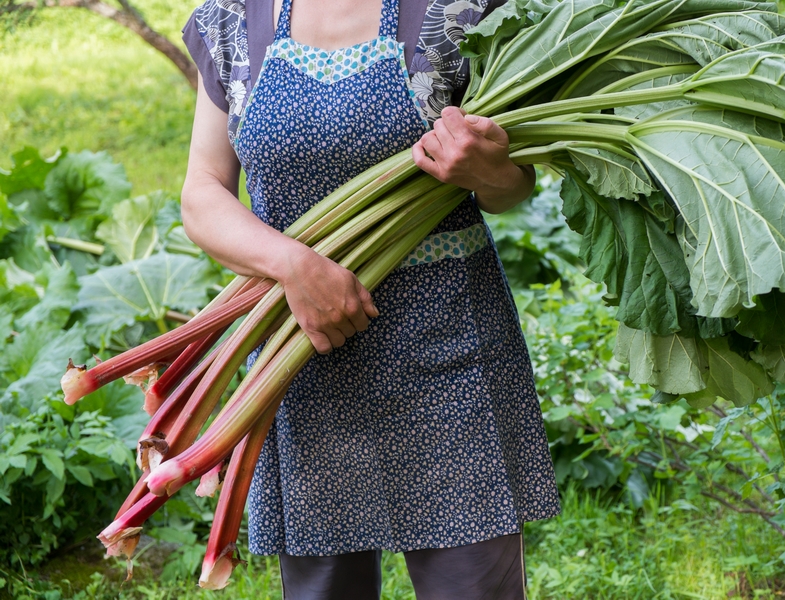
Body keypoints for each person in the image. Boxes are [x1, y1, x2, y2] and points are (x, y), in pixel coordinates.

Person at [180, 0, 560, 596]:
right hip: (303, 360)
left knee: (471, 587)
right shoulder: (233, 17)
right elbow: (202, 192)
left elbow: (512, 187)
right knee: (324, 588)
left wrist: (488, 169)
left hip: (449, 355)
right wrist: (291, 265)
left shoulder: (461, 9)